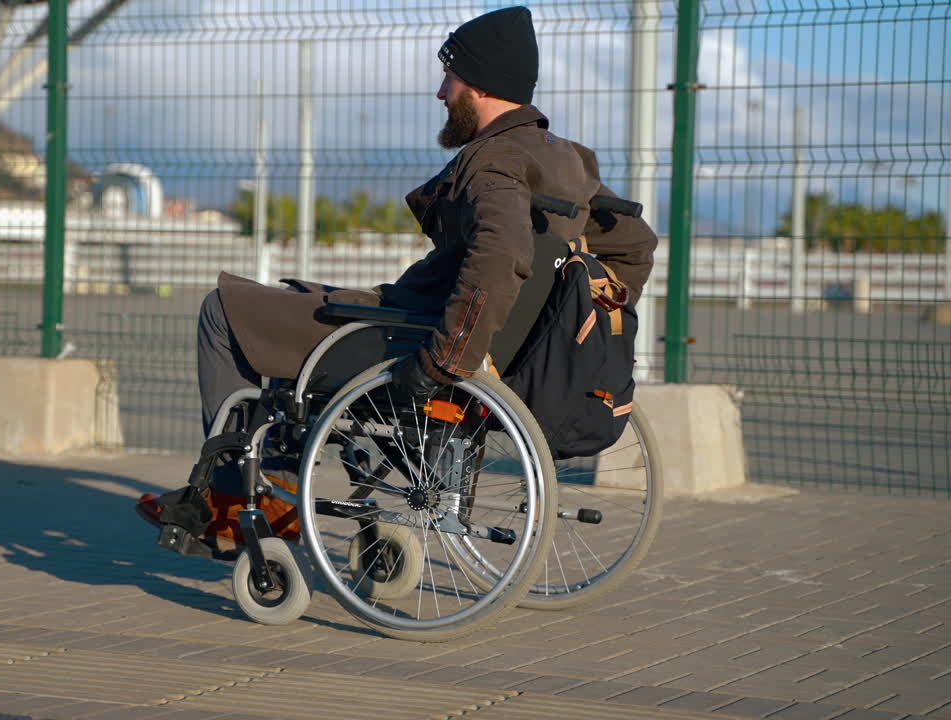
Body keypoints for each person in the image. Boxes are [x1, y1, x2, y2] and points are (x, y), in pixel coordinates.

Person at [138, 5, 657, 550]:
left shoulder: (494, 160)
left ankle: (237, 503)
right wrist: (574, 326)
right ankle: (274, 487)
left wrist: (448, 357)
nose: (441, 93)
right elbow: (634, 244)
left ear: (477, 84)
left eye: (449, 77)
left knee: (225, 310)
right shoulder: (570, 160)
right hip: (474, 341)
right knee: (289, 303)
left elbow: (501, 253)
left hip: (413, 336)